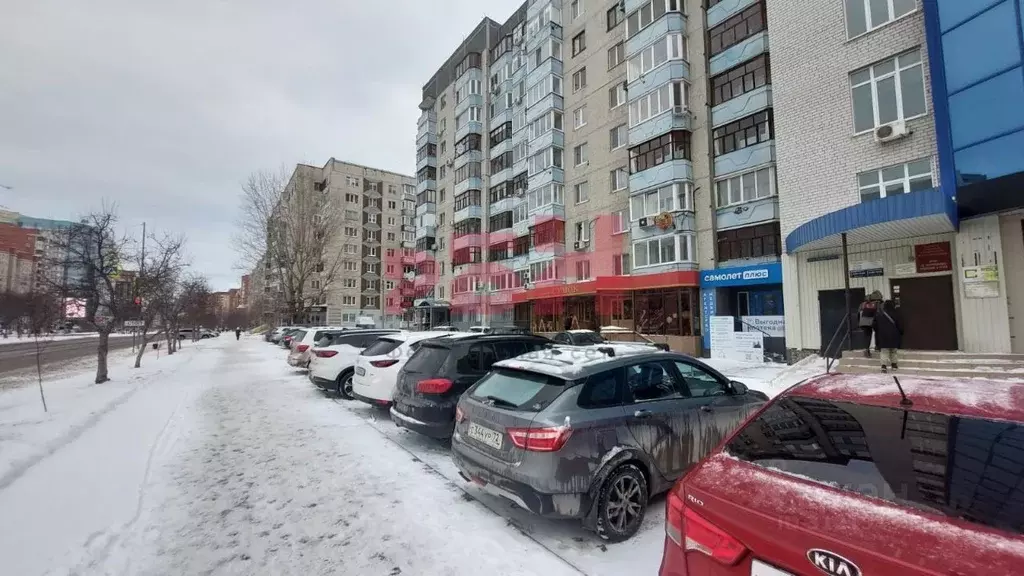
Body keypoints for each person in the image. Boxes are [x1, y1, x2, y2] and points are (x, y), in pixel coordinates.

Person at [873, 299, 903, 373]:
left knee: (884, 351)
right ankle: (894, 365)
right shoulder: (896, 314)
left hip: (883, 336)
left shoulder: (879, 314)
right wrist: (901, 332)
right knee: (893, 351)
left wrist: (878, 331)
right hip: (894, 335)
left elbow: (874, 325)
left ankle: (884, 366)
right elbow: (900, 325)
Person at [857, 290, 883, 357]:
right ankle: (877, 346)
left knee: (867, 335)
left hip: (863, 321)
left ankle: (866, 349)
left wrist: (859, 322)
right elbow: (880, 312)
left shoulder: (863, 304)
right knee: (878, 332)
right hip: (874, 320)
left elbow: (858, 312)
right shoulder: (878, 303)